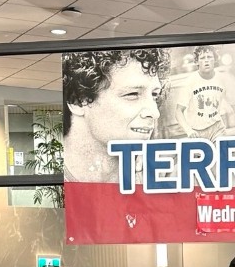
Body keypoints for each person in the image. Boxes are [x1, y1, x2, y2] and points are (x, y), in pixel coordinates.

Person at [62, 48, 168, 184]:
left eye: (154, 95)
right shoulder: (53, 177)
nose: (154, 112)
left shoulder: (158, 174)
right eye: (132, 94)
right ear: (77, 101)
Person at [174, 45, 235, 139]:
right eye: (202, 58)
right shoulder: (190, 81)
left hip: (217, 128)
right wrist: (188, 130)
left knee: (220, 153)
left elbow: (233, 102)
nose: (206, 60)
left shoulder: (222, 78)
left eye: (209, 57)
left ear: (215, 59)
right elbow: (178, 111)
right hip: (196, 132)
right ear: (197, 62)